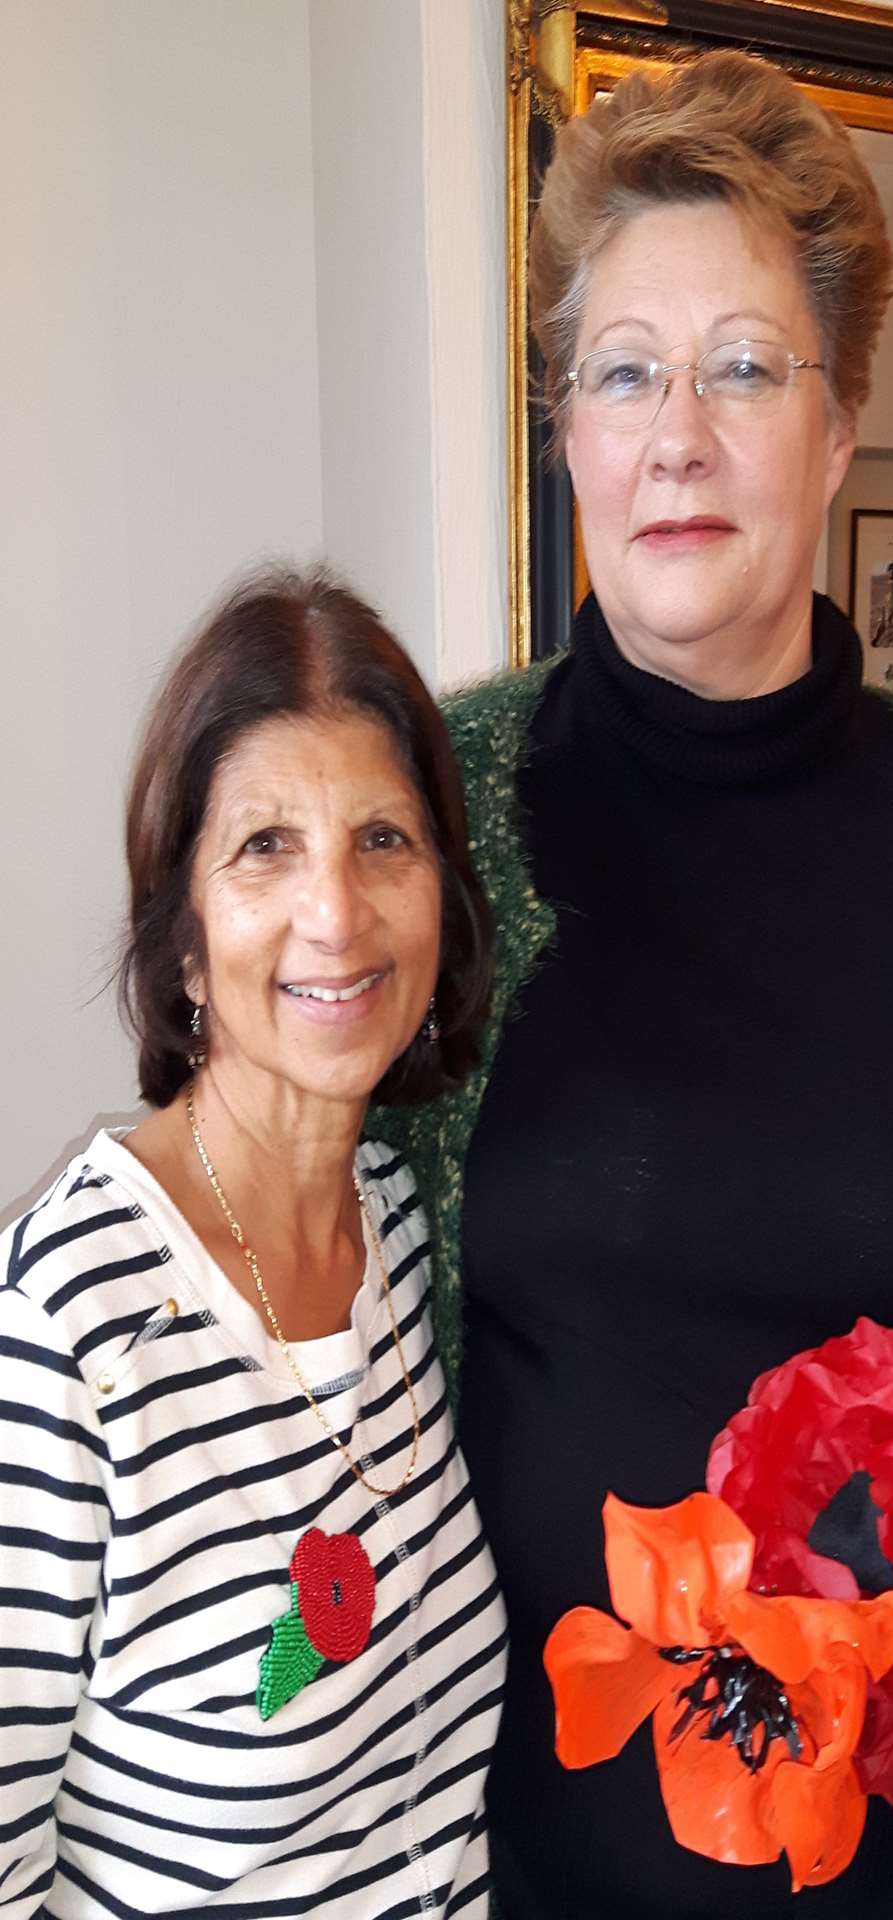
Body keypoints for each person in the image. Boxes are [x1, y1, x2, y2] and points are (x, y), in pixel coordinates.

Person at [370, 49, 893, 1920]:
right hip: (508, 1870)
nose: (678, 433)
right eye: (625, 371)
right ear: (569, 433)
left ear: (839, 427)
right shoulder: (428, 824)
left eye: (747, 368)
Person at [0, 569, 505, 1918]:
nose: (334, 914)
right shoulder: (69, 1325)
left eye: (383, 841)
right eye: (265, 847)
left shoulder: (406, 1231)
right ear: (180, 936)